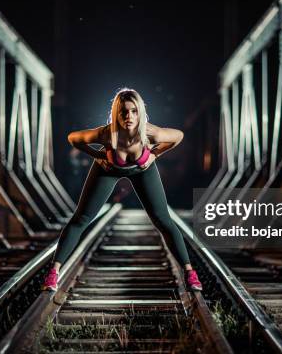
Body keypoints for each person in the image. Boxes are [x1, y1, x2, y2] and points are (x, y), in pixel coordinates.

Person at [41, 88, 203, 292]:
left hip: (142, 169)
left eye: (134, 111)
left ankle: (190, 273)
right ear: (117, 113)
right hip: (108, 169)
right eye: (124, 112)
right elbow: (73, 138)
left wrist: (155, 155)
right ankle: (53, 274)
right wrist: (97, 156)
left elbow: (178, 136)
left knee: (163, 220)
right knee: (81, 219)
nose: (129, 116)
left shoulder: (150, 132)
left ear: (140, 112)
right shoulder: (106, 134)